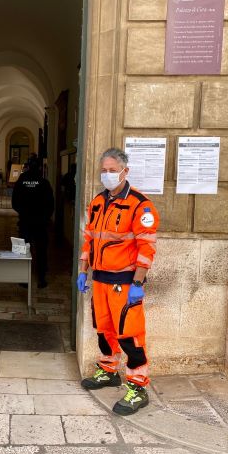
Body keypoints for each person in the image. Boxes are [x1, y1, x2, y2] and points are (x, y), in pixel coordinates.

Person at [77, 148, 159, 415]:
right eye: (104, 170)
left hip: (124, 282)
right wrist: (83, 269)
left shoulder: (140, 204)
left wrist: (138, 283)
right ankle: (108, 370)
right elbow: (89, 238)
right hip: (100, 279)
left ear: (125, 171)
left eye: (113, 170)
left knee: (130, 335)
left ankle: (138, 387)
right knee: (104, 329)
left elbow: (146, 248)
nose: (107, 174)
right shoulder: (98, 202)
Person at [11, 156, 54, 288]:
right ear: (40, 167)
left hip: (25, 222)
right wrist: (44, 217)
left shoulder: (21, 181)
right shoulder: (44, 182)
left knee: (23, 250)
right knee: (41, 251)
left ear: (28, 166)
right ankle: (41, 279)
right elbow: (50, 204)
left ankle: (23, 279)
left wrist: (23, 213)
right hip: (40, 223)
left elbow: (14, 202)